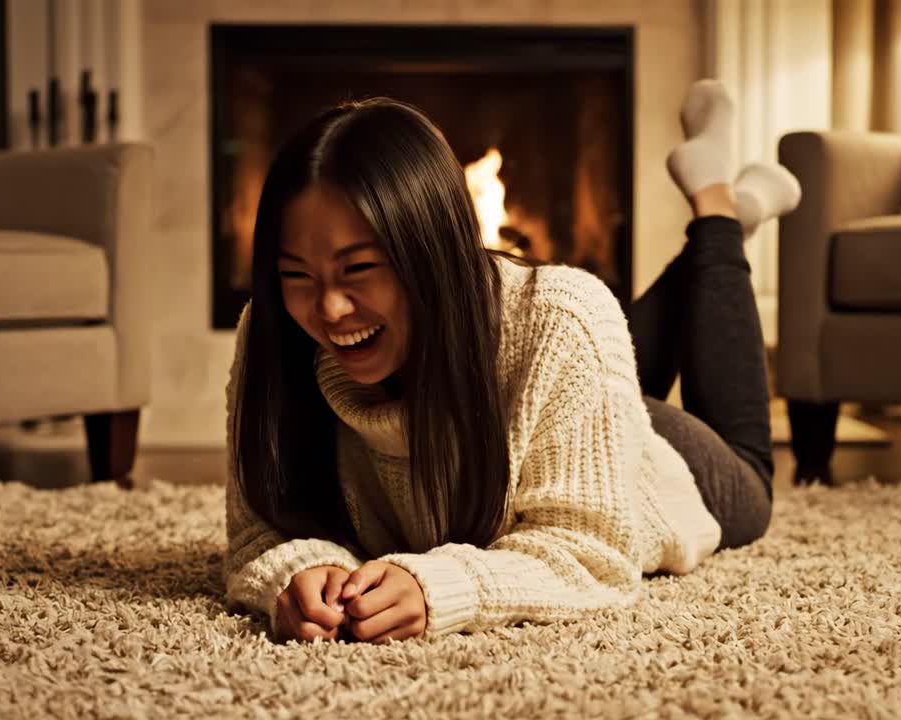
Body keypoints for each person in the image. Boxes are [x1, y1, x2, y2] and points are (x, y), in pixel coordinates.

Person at [223, 81, 802, 644]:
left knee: (751, 477)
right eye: (296, 274)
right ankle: (730, 221)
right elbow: (258, 533)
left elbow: (590, 553)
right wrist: (298, 573)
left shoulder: (559, 317)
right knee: (582, 345)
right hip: (537, 401)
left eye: (358, 269)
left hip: (653, 463)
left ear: (430, 253)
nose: (327, 308)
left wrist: (440, 586)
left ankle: (720, 210)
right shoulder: (273, 331)